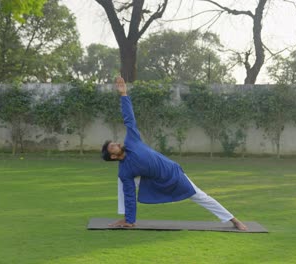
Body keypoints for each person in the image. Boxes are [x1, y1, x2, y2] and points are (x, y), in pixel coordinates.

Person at [101, 77, 247, 231]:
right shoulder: (125, 171)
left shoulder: (131, 142)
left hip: (173, 174)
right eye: (113, 147)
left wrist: (124, 94)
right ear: (113, 156)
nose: (117, 144)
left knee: (199, 196)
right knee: (122, 182)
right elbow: (129, 195)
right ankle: (128, 219)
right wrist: (130, 219)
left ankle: (234, 220)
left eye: (115, 143)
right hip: (155, 181)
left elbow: (129, 119)